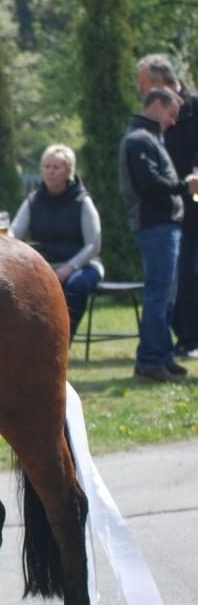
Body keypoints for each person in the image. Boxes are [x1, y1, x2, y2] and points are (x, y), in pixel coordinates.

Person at [118, 87, 198, 383]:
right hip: (156, 227)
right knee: (159, 295)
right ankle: (150, 360)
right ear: (156, 106)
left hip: (164, 227)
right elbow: (148, 184)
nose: (175, 121)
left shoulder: (149, 138)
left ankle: (162, 356)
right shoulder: (140, 139)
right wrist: (184, 186)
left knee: (167, 297)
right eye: (172, 113)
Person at [138, 55, 198, 357]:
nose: (141, 89)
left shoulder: (194, 107)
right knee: (180, 277)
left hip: (192, 200)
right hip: (171, 207)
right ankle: (186, 337)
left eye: (144, 82)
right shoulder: (148, 122)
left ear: (159, 82)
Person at [9, 144, 103, 339]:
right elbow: (14, 232)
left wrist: (69, 268)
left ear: (69, 171)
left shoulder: (82, 201)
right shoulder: (33, 201)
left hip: (82, 266)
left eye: (56, 167)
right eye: (46, 166)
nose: (50, 172)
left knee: (75, 287)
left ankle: (63, 339)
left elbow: (94, 244)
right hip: (46, 267)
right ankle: (34, 342)